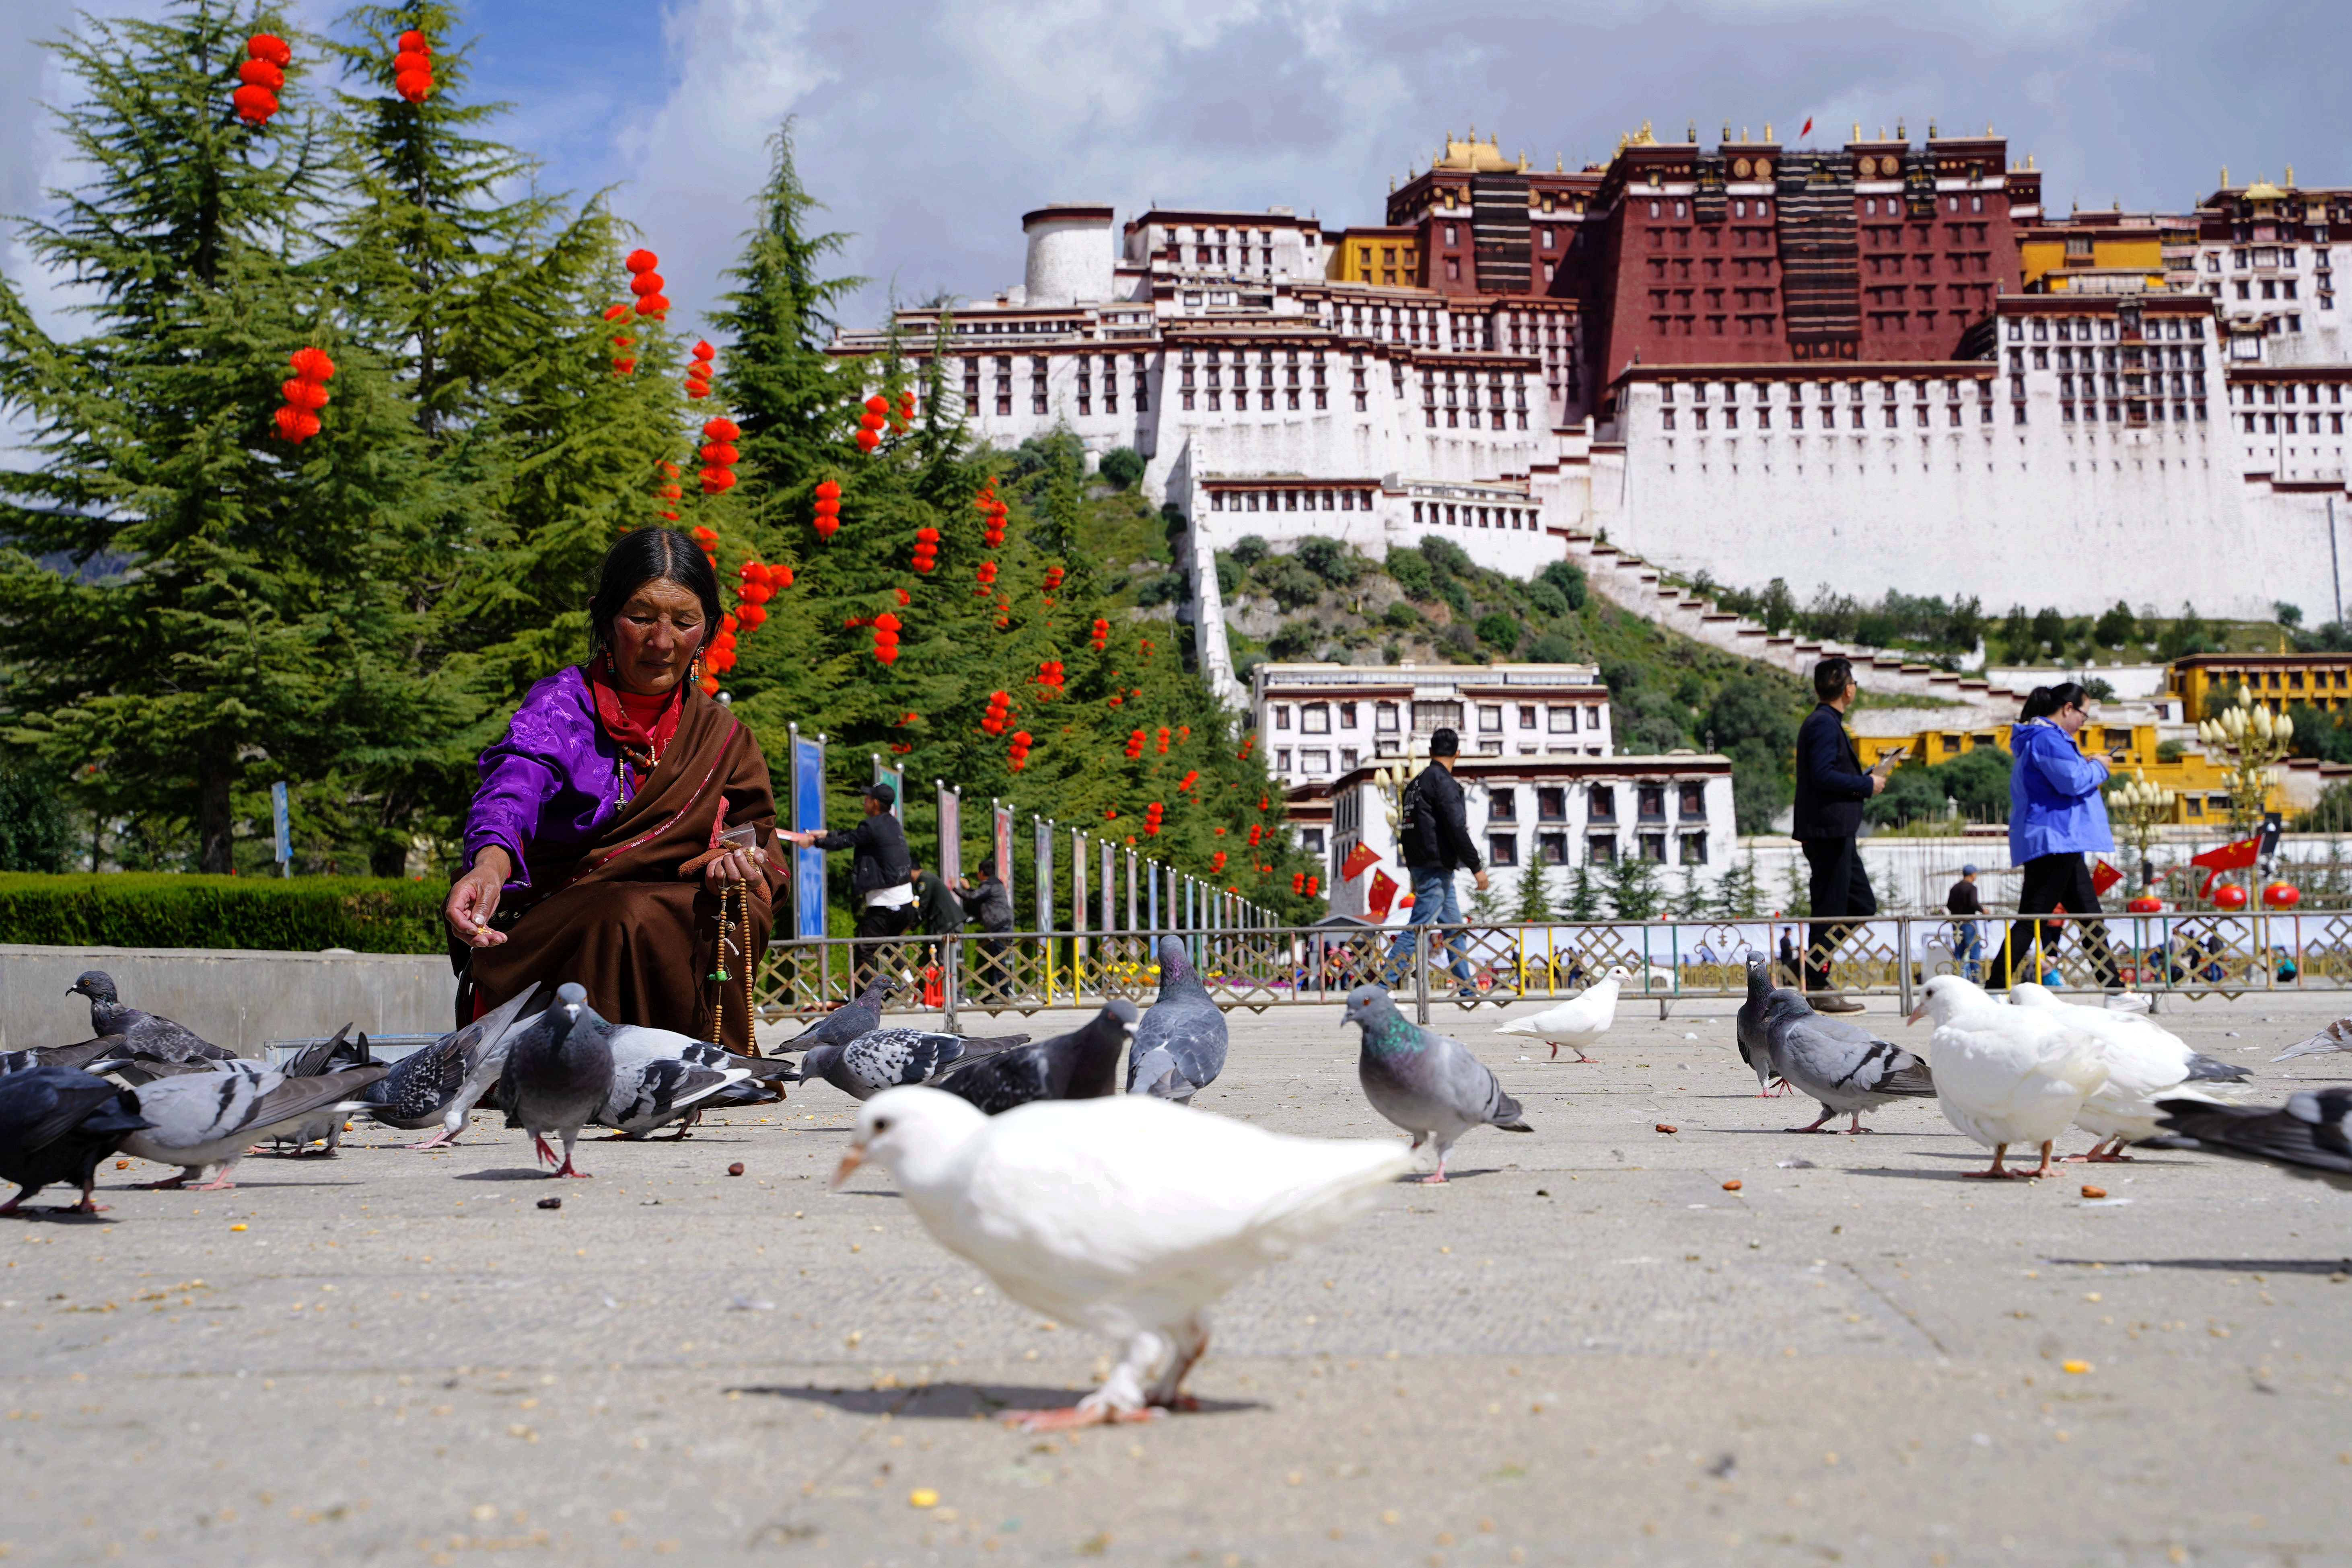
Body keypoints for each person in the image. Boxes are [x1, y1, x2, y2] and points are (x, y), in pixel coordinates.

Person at [444, 528, 781, 1051]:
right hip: (559, 921)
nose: (662, 641)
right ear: (604, 617)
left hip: (667, 908)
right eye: (642, 617)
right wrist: (489, 864)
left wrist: (738, 863)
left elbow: (763, 856)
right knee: (624, 912)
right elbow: (513, 787)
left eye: (685, 621)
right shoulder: (561, 707)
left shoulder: (724, 737)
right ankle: (590, 1069)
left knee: (720, 908)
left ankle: (698, 1063)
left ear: (709, 629)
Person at [1988, 682, 2121, 990]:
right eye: (2084, 716)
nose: (2083, 724)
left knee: (2089, 915)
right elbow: (2072, 782)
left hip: (2061, 838)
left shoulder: (2043, 738)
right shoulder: (2048, 738)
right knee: (2032, 916)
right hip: (2054, 838)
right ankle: (1994, 986)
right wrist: (2099, 767)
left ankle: (2114, 987)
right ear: (2068, 709)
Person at [1792, 657, 1890, 1013]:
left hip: (1835, 830)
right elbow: (1822, 776)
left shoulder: (1826, 722)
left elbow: (1827, 775)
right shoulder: (1822, 724)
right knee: (1830, 910)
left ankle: (1806, 969)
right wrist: (1866, 783)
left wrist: (1863, 779)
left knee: (1861, 904)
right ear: (1846, 687)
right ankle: (1817, 983)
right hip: (1828, 831)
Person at [1380, 727, 1488, 998]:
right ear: (1457, 753)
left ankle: (1466, 989)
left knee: (1453, 927)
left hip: (1421, 863)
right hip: (1436, 865)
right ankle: (1382, 989)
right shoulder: (1444, 783)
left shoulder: (1415, 783)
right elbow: (1456, 826)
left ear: (1430, 752)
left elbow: (1406, 826)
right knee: (1418, 927)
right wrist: (1476, 867)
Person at [779, 782, 913, 991]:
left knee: (865, 949)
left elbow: (846, 842)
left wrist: (813, 843)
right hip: (905, 901)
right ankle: (909, 987)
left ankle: (866, 998)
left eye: (867, 798)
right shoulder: (890, 824)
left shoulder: (872, 826)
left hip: (888, 902)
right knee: (890, 946)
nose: (864, 802)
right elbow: (853, 835)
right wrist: (825, 834)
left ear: (875, 803)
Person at [957, 855, 1015, 1001]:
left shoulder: (989, 885)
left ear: (981, 873)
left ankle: (1003, 994)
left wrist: (956, 888)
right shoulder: (996, 884)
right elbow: (980, 896)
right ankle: (992, 993)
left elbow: (974, 897)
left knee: (998, 960)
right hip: (1001, 925)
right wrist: (970, 888)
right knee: (993, 960)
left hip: (999, 926)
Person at [1946, 863, 1984, 981]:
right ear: (1973, 874)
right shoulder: (1972, 888)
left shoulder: (1955, 887)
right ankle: (1975, 978)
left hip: (1956, 923)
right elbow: (1973, 903)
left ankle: (1959, 977)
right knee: (1974, 950)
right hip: (1969, 923)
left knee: (1959, 951)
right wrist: (1983, 910)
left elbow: (1949, 905)